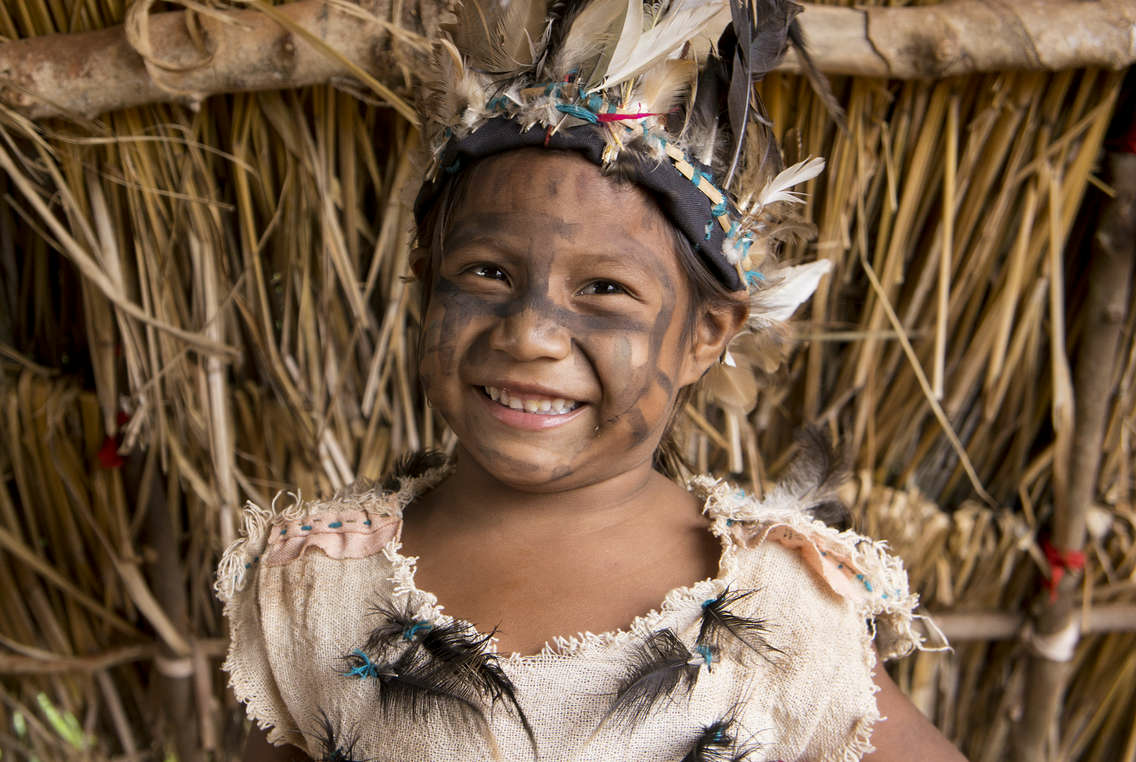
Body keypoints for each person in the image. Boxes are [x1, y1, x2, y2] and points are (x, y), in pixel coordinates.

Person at [217, 1, 970, 760]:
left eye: (605, 289)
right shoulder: (317, 588)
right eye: (486, 272)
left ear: (705, 336)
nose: (530, 334)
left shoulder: (781, 607)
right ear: (424, 282)